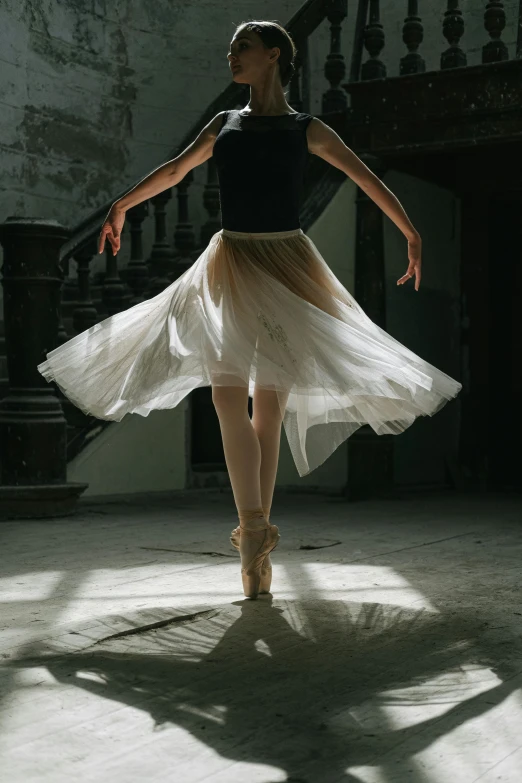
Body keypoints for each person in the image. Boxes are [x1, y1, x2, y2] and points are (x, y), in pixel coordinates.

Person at [38, 20, 462, 600]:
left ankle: (255, 540)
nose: (231, 56)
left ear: (274, 56)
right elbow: (174, 171)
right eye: (230, 48)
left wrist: (411, 233)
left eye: (242, 47)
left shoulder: (307, 128)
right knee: (226, 397)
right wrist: (122, 204)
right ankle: (254, 529)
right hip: (231, 262)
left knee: (270, 405)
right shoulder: (224, 124)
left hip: (287, 264)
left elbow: (366, 178)